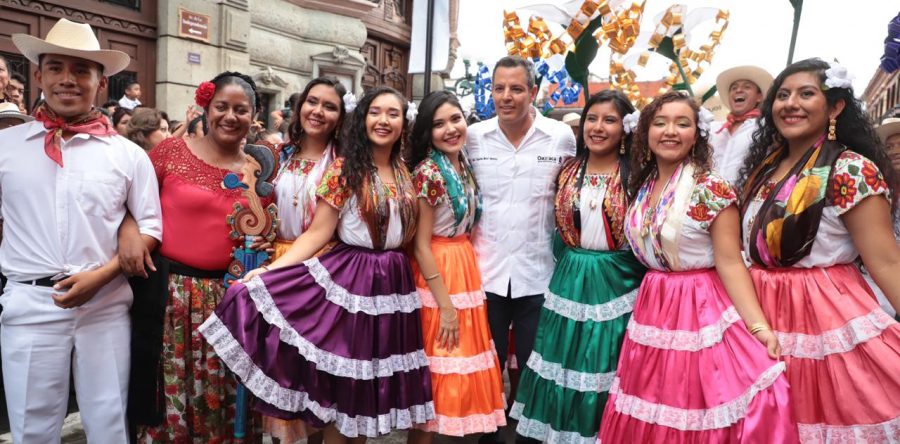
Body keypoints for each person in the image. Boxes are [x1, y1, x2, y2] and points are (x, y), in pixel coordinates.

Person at [199, 86, 434, 442]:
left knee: (367, 395)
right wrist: (270, 270)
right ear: (362, 119)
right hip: (352, 281)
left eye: (392, 114)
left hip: (393, 288)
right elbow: (318, 232)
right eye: (375, 112)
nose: (383, 121)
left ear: (405, 122)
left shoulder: (405, 171)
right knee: (345, 389)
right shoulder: (345, 169)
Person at [599, 91, 797, 442]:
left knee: (699, 399)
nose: (670, 131)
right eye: (660, 123)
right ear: (646, 133)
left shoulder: (711, 189)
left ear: (697, 135)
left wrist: (757, 326)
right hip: (653, 305)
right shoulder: (643, 185)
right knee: (655, 400)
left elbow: (730, 262)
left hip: (699, 306)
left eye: (682, 123)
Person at [0, 18, 161, 443]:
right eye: (55, 68)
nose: (67, 79)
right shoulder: (6, 147)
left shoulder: (128, 155)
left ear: (101, 82)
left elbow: (151, 226)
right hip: (29, 306)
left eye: (81, 70)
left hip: (106, 307)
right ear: (39, 76)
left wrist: (102, 276)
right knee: (32, 431)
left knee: (109, 426)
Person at [739, 58, 900, 442]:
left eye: (806, 94)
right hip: (760, 311)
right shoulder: (765, 168)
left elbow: (886, 261)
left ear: (835, 107)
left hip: (825, 317)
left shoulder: (850, 169)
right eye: (782, 95)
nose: (790, 104)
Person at [121, 71, 268, 442]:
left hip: (231, 302)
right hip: (170, 298)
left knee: (225, 403)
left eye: (241, 110)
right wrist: (128, 232)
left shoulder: (259, 171)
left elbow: (267, 231)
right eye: (222, 107)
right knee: (168, 395)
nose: (230, 116)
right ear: (206, 107)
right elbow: (127, 200)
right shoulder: (172, 151)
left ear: (253, 117)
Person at [511, 90, 645, 443]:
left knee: (602, 359)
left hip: (617, 281)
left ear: (625, 129)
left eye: (609, 120)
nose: (597, 127)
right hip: (569, 277)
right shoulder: (568, 169)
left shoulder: (638, 175)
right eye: (592, 119)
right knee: (562, 355)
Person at [466, 56, 576, 443]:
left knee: (534, 365)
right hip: (485, 272)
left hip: (538, 272)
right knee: (486, 365)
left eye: (516, 89)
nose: (506, 97)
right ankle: (489, 434)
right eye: (499, 88)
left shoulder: (560, 137)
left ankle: (530, 435)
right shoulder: (473, 137)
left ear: (533, 92)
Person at [405, 90, 506, 442]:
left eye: (455, 119)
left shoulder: (463, 163)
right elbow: (420, 244)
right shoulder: (429, 172)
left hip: (464, 264)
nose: (450, 129)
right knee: (436, 376)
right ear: (427, 131)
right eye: (438, 124)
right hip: (439, 270)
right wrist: (446, 307)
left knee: (457, 376)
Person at [258, 76, 346, 444]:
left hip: (321, 273)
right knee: (282, 368)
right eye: (313, 102)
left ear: (341, 117)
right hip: (274, 264)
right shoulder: (276, 155)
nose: (318, 111)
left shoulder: (343, 164)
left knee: (316, 372)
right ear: (300, 106)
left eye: (330, 106)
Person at [708, 65, 773, 185]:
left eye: (747, 87)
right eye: (734, 88)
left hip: (746, 195)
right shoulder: (713, 129)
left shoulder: (766, 126)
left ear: (759, 97)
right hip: (707, 195)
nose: (738, 90)